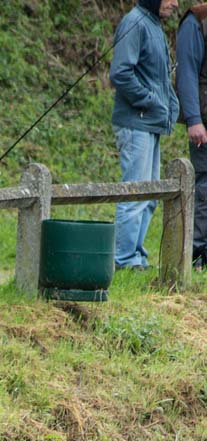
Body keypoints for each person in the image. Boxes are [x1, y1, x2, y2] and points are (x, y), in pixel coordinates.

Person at [110, 0, 179, 270]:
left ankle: (136, 256)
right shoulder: (135, 22)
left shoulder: (154, 25)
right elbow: (121, 73)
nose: (174, 3)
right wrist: (150, 100)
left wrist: (168, 106)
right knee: (134, 194)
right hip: (135, 123)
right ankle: (124, 260)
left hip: (150, 124)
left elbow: (159, 77)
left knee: (149, 196)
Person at [176, 4, 207, 268]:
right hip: (204, 122)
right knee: (204, 185)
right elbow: (186, 74)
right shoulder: (194, 23)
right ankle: (197, 252)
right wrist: (194, 120)